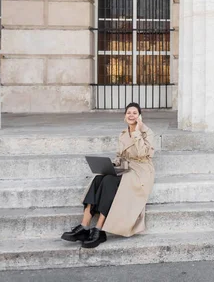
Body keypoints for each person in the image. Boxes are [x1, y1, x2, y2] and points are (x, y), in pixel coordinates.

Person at [61, 102, 155, 248]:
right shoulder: (123, 134)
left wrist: (137, 131)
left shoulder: (147, 132)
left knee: (109, 182)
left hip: (140, 171)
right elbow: (120, 155)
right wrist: (112, 165)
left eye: (134, 113)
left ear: (140, 116)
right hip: (125, 167)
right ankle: (84, 226)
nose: (131, 115)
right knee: (99, 178)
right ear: (125, 116)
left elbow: (142, 153)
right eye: (128, 113)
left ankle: (99, 229)